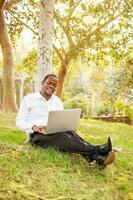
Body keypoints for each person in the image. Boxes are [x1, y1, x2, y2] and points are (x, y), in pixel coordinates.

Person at [16, 74, 115, 169]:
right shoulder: (29, 99)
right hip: (37, 135)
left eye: (54, 85)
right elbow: (19, 121)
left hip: (54, 130)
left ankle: (96, 158)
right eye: (49, 83)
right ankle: (98, 150)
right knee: (60, 136)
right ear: (43, 83)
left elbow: (61, 119)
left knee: (72, 134)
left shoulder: (57, 101)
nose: (52, 86)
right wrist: (34, 127)